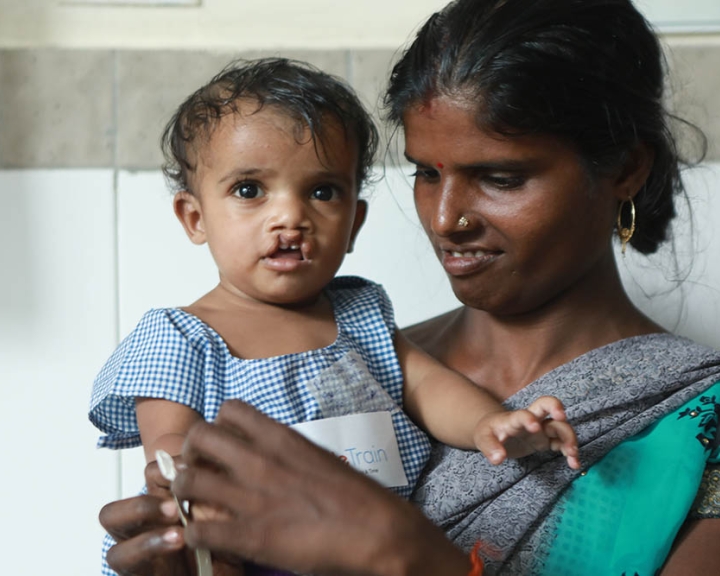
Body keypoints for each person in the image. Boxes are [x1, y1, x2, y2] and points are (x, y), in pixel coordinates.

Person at [96, 0, 720, 574]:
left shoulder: (694, 419)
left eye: (500, 177)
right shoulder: (362, 367)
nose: (446, 219)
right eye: (425, 173)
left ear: (626, 168)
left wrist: (401, 555)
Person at [90, 57, 579, 575]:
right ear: (195, 217)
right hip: (238, 547)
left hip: (367, 551)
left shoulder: (360, 317)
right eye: (250, 190)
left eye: (322, 192)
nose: (291, 216)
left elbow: (429, 386)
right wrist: (185, 486)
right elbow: (168, 447)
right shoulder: (181, 337)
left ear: (354, 223)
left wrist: (490, 423)